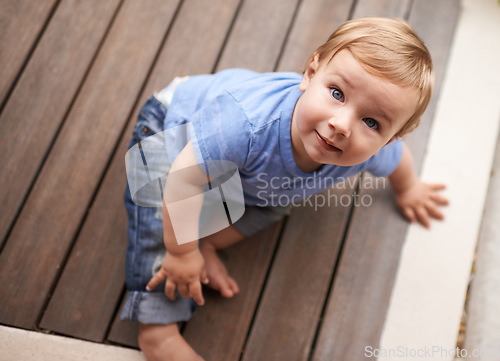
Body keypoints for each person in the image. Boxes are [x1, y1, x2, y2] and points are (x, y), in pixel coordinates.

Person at [122, 17, 448, 361]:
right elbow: (184, 179)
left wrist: (408, 188)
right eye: (337, 94)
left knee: (276, 203)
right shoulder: (245, 123)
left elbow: (398, 162)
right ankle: (158, 330)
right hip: (174, 132)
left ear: (389, 138)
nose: (342, 125)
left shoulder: (371, 150)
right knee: (163, 219)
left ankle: (208, 243)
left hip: (241, 173)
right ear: (310, 73)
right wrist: (182, 253)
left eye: (371, 122)